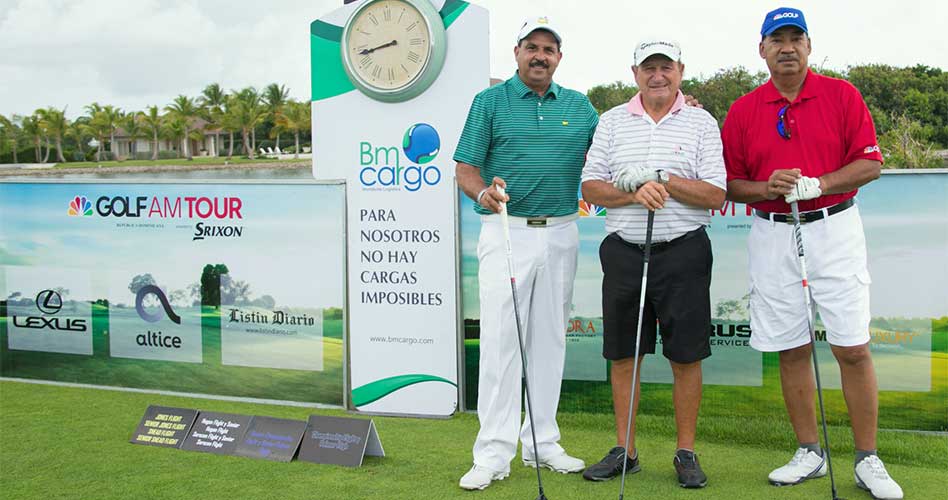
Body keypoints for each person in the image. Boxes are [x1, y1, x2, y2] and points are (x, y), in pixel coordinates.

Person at [721, 7, 903, 500]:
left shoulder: (842, 94)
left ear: (808, 45)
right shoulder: (743, 110)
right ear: (762, 50)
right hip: (772, 231)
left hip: (834, 227)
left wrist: (818, 182)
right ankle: (810, 452)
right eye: (776, 39)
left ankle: (867, 457)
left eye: (794, 38)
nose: (786, 47)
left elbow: (870, 164)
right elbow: (733, 184)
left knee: (852, 347)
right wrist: (765, 187)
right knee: (791, 347)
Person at [453, 16, 599, 491]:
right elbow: (466, 168)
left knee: (550, 340)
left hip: (561, 232)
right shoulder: (489, 102)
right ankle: (493, 453)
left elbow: (611, 149)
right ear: (517, 53)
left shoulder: (579, 108)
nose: (540, 56)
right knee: (500, 341)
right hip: (506, 230)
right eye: (532, 47)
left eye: (549, 49)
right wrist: (481, 195)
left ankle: (541, 442)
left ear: (559, 58)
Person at [579, 38, 726, 488]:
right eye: (648, 68)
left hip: (683, 251)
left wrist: (662, 179)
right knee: (624, 356)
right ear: (635, 73)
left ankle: (685, 451)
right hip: (624, 250)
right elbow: (589, 187)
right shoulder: (610, 122)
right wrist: (632, 191)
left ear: (680, 70)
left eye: (665, 67)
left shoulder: (701, 122)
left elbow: (716, 194)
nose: (657, 75)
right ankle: (626, 450)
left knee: (686, 357)